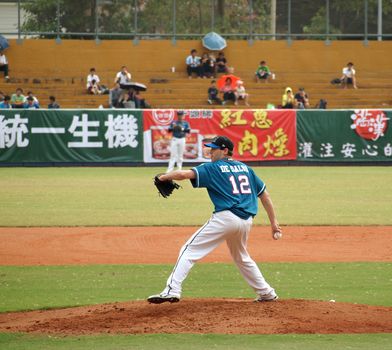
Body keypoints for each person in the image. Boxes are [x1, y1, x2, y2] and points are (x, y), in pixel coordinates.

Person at [147, 135, 282, 304]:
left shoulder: (213, 168)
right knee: (241, 257)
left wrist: (163, 177)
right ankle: (267, 293)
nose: (210, 151)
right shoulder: (246, 169)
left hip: (225, 218)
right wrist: (274, 222)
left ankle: (171, 290)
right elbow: (264, 195)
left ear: (224, 150)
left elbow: (183, 174)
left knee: (188, 250)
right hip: (246, 221)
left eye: (214, 148)